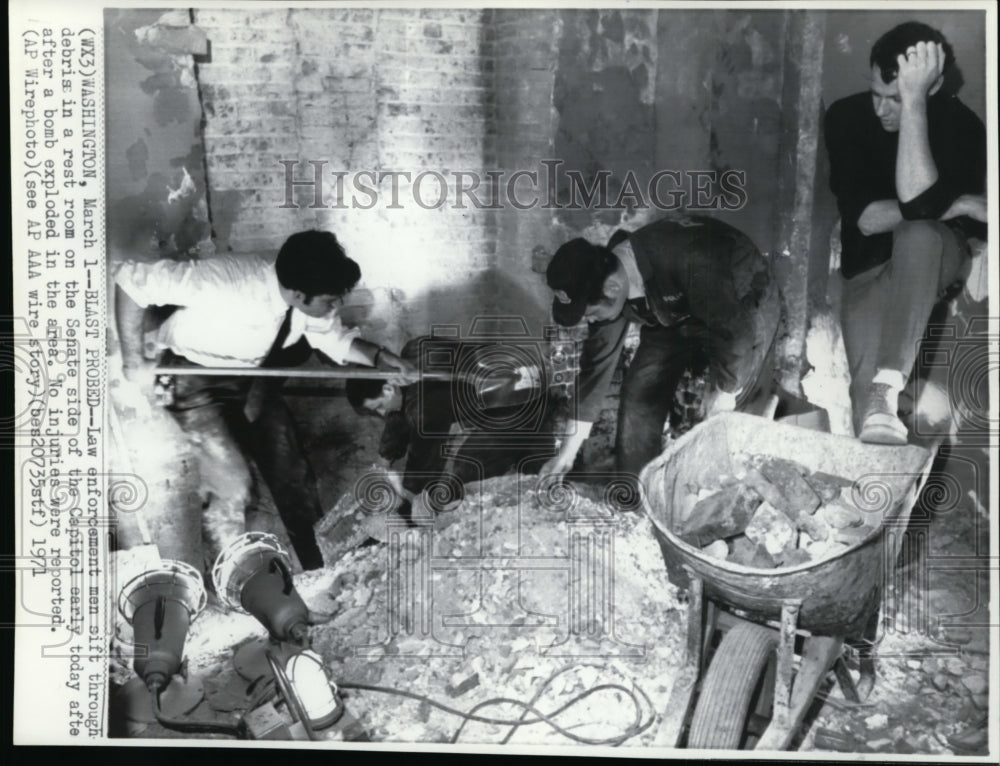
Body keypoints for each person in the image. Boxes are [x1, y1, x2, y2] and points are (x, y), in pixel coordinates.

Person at [114, 229, 416, 569]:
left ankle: (321, 570)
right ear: (300, 295)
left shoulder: (303, 290)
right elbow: (130, 280)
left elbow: (330, 338)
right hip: (191, 376)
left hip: (252, 375)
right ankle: (241, 584)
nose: (335, 307)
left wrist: (378, 357)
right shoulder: (225, 280)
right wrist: (133, 361)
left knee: (292, 472)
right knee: (232, 484)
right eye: (330, 301)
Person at [825, 21, 987, 444]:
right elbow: (866, 219)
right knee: (872, 423)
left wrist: (913, 104)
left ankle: (888, 380)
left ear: (930, 89)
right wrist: (966, 203)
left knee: (918, 233)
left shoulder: (965, 128)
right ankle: (880, 501)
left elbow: (917, 211)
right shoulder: (845, 116)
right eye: (876, 94)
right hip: (864, 273)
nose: (881, 110)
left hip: (929, 257)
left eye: (895, 98)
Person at [540, 214, 781, 483]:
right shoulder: (604, 281)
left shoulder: (690, 259)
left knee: (732, 412)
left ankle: (721, 500)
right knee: (640, 392)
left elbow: (736, 334)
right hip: (672, 310)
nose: (592, 321)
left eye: (591, 314)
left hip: (741, 299)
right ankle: (637, 492)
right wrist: (567, 453)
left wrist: (726, 391)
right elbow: (596, 366)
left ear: (613, 287)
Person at [346, 335, 556, 510]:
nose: (383, 414)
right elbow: (403, 413)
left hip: (518, 410)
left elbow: (424, 461)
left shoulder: (422, 409)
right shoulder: (414, 350)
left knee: (465, 474)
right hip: (530, 378)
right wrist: (383, 461)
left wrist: (406, 498)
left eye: (378, 407)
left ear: (388, 389)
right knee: (537, 478)